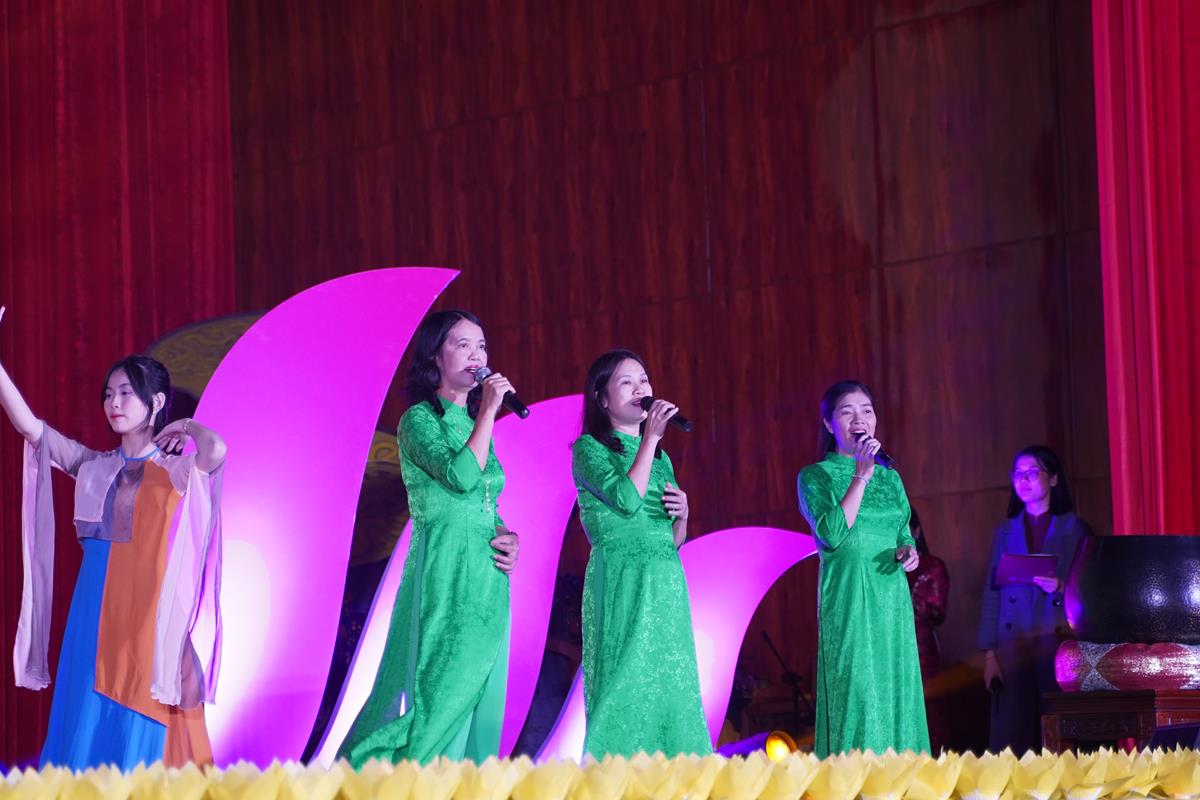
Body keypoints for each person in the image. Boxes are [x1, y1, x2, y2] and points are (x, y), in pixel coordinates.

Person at [0, 307, 225, 769]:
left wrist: (184, 426)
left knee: (137, 723)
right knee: (83, 719)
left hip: (146, 616)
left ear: (156, 401)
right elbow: (30, 428)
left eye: (126, 393)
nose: (114, 403)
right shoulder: (93, 466)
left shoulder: (174, 469)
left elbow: (217, 450)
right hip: (91, 612)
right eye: (108, 394)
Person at [339, 309, 520, 766]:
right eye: (463, 344)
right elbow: (459, 477)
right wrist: (490, 410)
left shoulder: (474, 427)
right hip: (445, 565)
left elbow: (484, 500)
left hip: (487, 573)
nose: (477, 355)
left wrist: (506, 535)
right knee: (442, 689)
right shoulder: (418, 421)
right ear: (435, 356)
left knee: (481, 690)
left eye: (482, 346)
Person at [571, 349, 710, 758]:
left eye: (644, 380)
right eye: (627, 382)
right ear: (602, 399)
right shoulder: (589, 449)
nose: (640, 389)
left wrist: (684, 515)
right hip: (622, 575)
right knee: (625, 679)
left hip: (665, 580)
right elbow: (626, 500)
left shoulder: (661, 459)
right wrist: (650, 438)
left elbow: (672, 539)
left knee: (671, 682)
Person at [797, 379, 929, 756]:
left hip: (891, 600)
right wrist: (861, 474)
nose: (859, 419)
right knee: (857, 692)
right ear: (829, 424)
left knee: (896, 689)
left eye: (867, 411)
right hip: (849, 598)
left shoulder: (890, 477)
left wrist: (909, 551)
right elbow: (831, 534)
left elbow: (902, 530)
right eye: (847, 411)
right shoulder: (815, 476)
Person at [978, 445, 1089, 753]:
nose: (1023, 480)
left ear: (1053, 478)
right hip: (1012, 646)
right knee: (1013, 737)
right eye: (1018, 474)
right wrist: (990, 655)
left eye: (1032, 473)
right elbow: (992, 593)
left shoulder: (1074, 528)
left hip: (1057, 643)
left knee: (1057, 734)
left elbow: (1091, 589)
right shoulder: (1005, 531)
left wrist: (1061, 585)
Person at [906, 508, 949, 752]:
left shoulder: (932, 566)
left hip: (922, 652)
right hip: (889, 652)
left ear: (916, 531)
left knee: (929, 714)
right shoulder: (882, 570)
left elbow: (937, 613)